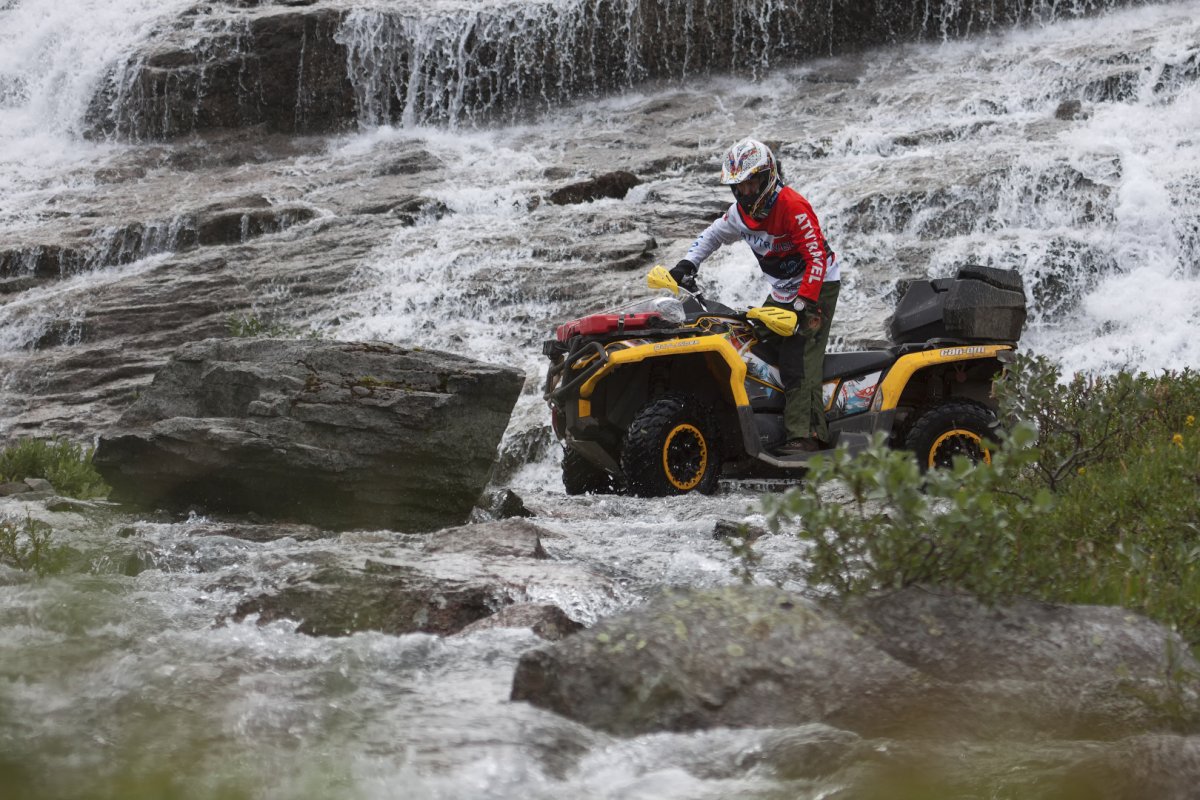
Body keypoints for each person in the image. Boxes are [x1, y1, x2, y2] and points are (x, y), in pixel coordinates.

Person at [670, 137, 841, 455]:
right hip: (784, 290)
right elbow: (712, 235)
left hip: (817, 286)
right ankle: (769, 418)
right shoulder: (738, 214)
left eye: (753, 183)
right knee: (749, 341)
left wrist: (802, 306)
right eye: (740, 186)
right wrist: (684, 265)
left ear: (768, 176)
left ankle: (806, 434)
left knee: (798, 357)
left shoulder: (792, 205)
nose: (747, 192)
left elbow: (817, 258)